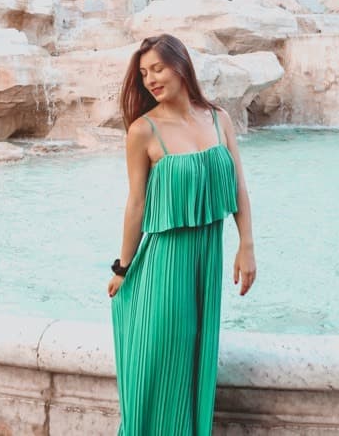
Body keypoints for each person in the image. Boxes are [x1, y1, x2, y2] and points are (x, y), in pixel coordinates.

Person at [109, 33, 256, 435]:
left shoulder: (218, 118)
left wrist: (246, 245)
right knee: (160, 369)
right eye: (143, 73)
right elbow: (136, 204)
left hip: (205, 262)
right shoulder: (143, 130)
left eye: (157, 68)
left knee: (193, 368)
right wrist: (122, 269)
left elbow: (240, 187)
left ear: (181, 65)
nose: (151, 79)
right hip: (163, 267)